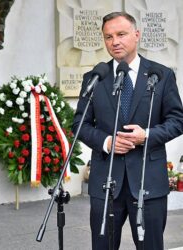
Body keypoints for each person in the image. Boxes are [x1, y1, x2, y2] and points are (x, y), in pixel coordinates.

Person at [73, 12, 183, 250]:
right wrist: (107, 142)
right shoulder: (95, 78)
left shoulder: (161, 75)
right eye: (108, 37)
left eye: (121, 34)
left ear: (136, 35)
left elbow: (177, 120)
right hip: (106, 181)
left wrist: (147, 136)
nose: (115, 42)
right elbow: (80, 124)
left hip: (148, 181)